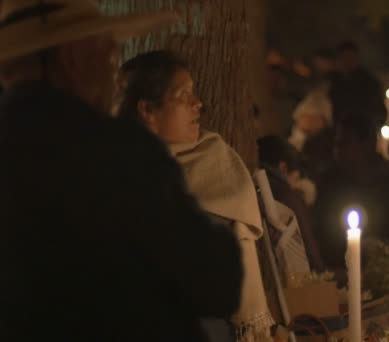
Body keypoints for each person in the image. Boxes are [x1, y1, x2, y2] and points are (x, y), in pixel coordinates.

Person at [0, 1, 243, 341]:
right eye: (107, 58)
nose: (113, 77)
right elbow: (215, 281)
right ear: (72, 60)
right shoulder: (118, 153)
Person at [118, 50, 274, 341]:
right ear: (147, 110)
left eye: (194, 93)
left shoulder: (212, 157)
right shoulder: (119, 169)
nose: (197, 104)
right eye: (183, 95)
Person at [313, 115, 389, 279]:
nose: (338, 149)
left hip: (384, 270)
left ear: (368, 144)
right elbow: (321, 230)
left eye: (345, 142)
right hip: (338, 268)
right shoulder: (330, 183)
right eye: (337, 142)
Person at [258, 135, 325, 272]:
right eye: (296, 176)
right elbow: (312, 255)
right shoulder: (288, 196)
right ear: (283, 168)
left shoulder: (254, 189)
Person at [329, 40, 387, 130]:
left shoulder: (369, 84)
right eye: (344, 58)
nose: (347, 62)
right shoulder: (331, 82)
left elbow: (378, 112)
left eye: (351, 58)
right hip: (336, 131)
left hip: (360, 133)